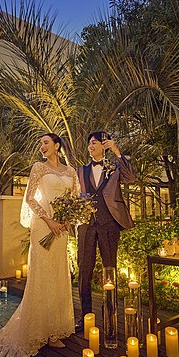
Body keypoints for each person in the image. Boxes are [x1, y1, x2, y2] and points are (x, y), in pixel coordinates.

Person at [0, 133, 77, 357]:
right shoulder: (38, 167)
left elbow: (74, 198)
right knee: (42, 275)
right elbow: (30, 198)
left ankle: (55, 330)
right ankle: (38, 330)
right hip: (43, 226)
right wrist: (49, 219)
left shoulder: (71, 172)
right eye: (40, 143)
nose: (42, 146)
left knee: (58, 275)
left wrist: (67, 219)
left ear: (57, 146)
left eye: (46, 142)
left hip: (61, 228)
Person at [75, 131, 135, 332]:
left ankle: (110, 316)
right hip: (86, 225)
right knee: (84, 271)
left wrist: (117, 151)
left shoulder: (115, 167)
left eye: (94, 143)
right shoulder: (80, 171)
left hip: (109, 224)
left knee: (110, 270)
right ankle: (85, 317)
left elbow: (131, 178)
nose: (90, 146)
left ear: (104, 145)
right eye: (89, 144)